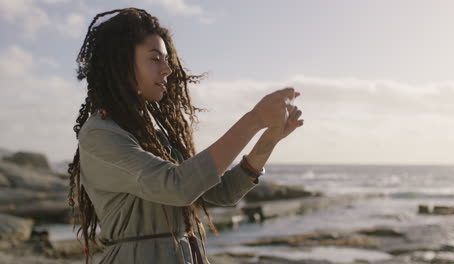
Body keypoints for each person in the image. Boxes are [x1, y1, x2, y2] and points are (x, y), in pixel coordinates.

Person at [67, 7, 304, 264]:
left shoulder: (155, 136)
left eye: (167, 59)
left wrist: (270, 137)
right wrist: (254, 118)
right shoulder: (100, 134)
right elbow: (178, 187)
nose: (167, 69)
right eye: (155, 59)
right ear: (121, 64)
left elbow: (223, 193)